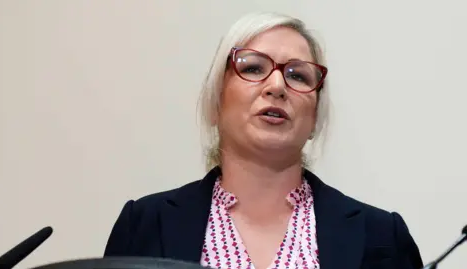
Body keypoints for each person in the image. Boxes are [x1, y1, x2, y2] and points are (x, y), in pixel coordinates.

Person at [104, 11, 423, 269]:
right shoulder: (144, 224)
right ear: (216, 103)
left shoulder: (381, 236)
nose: (277, 85)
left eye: (298, 75)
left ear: (314, 118)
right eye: (254, 68)